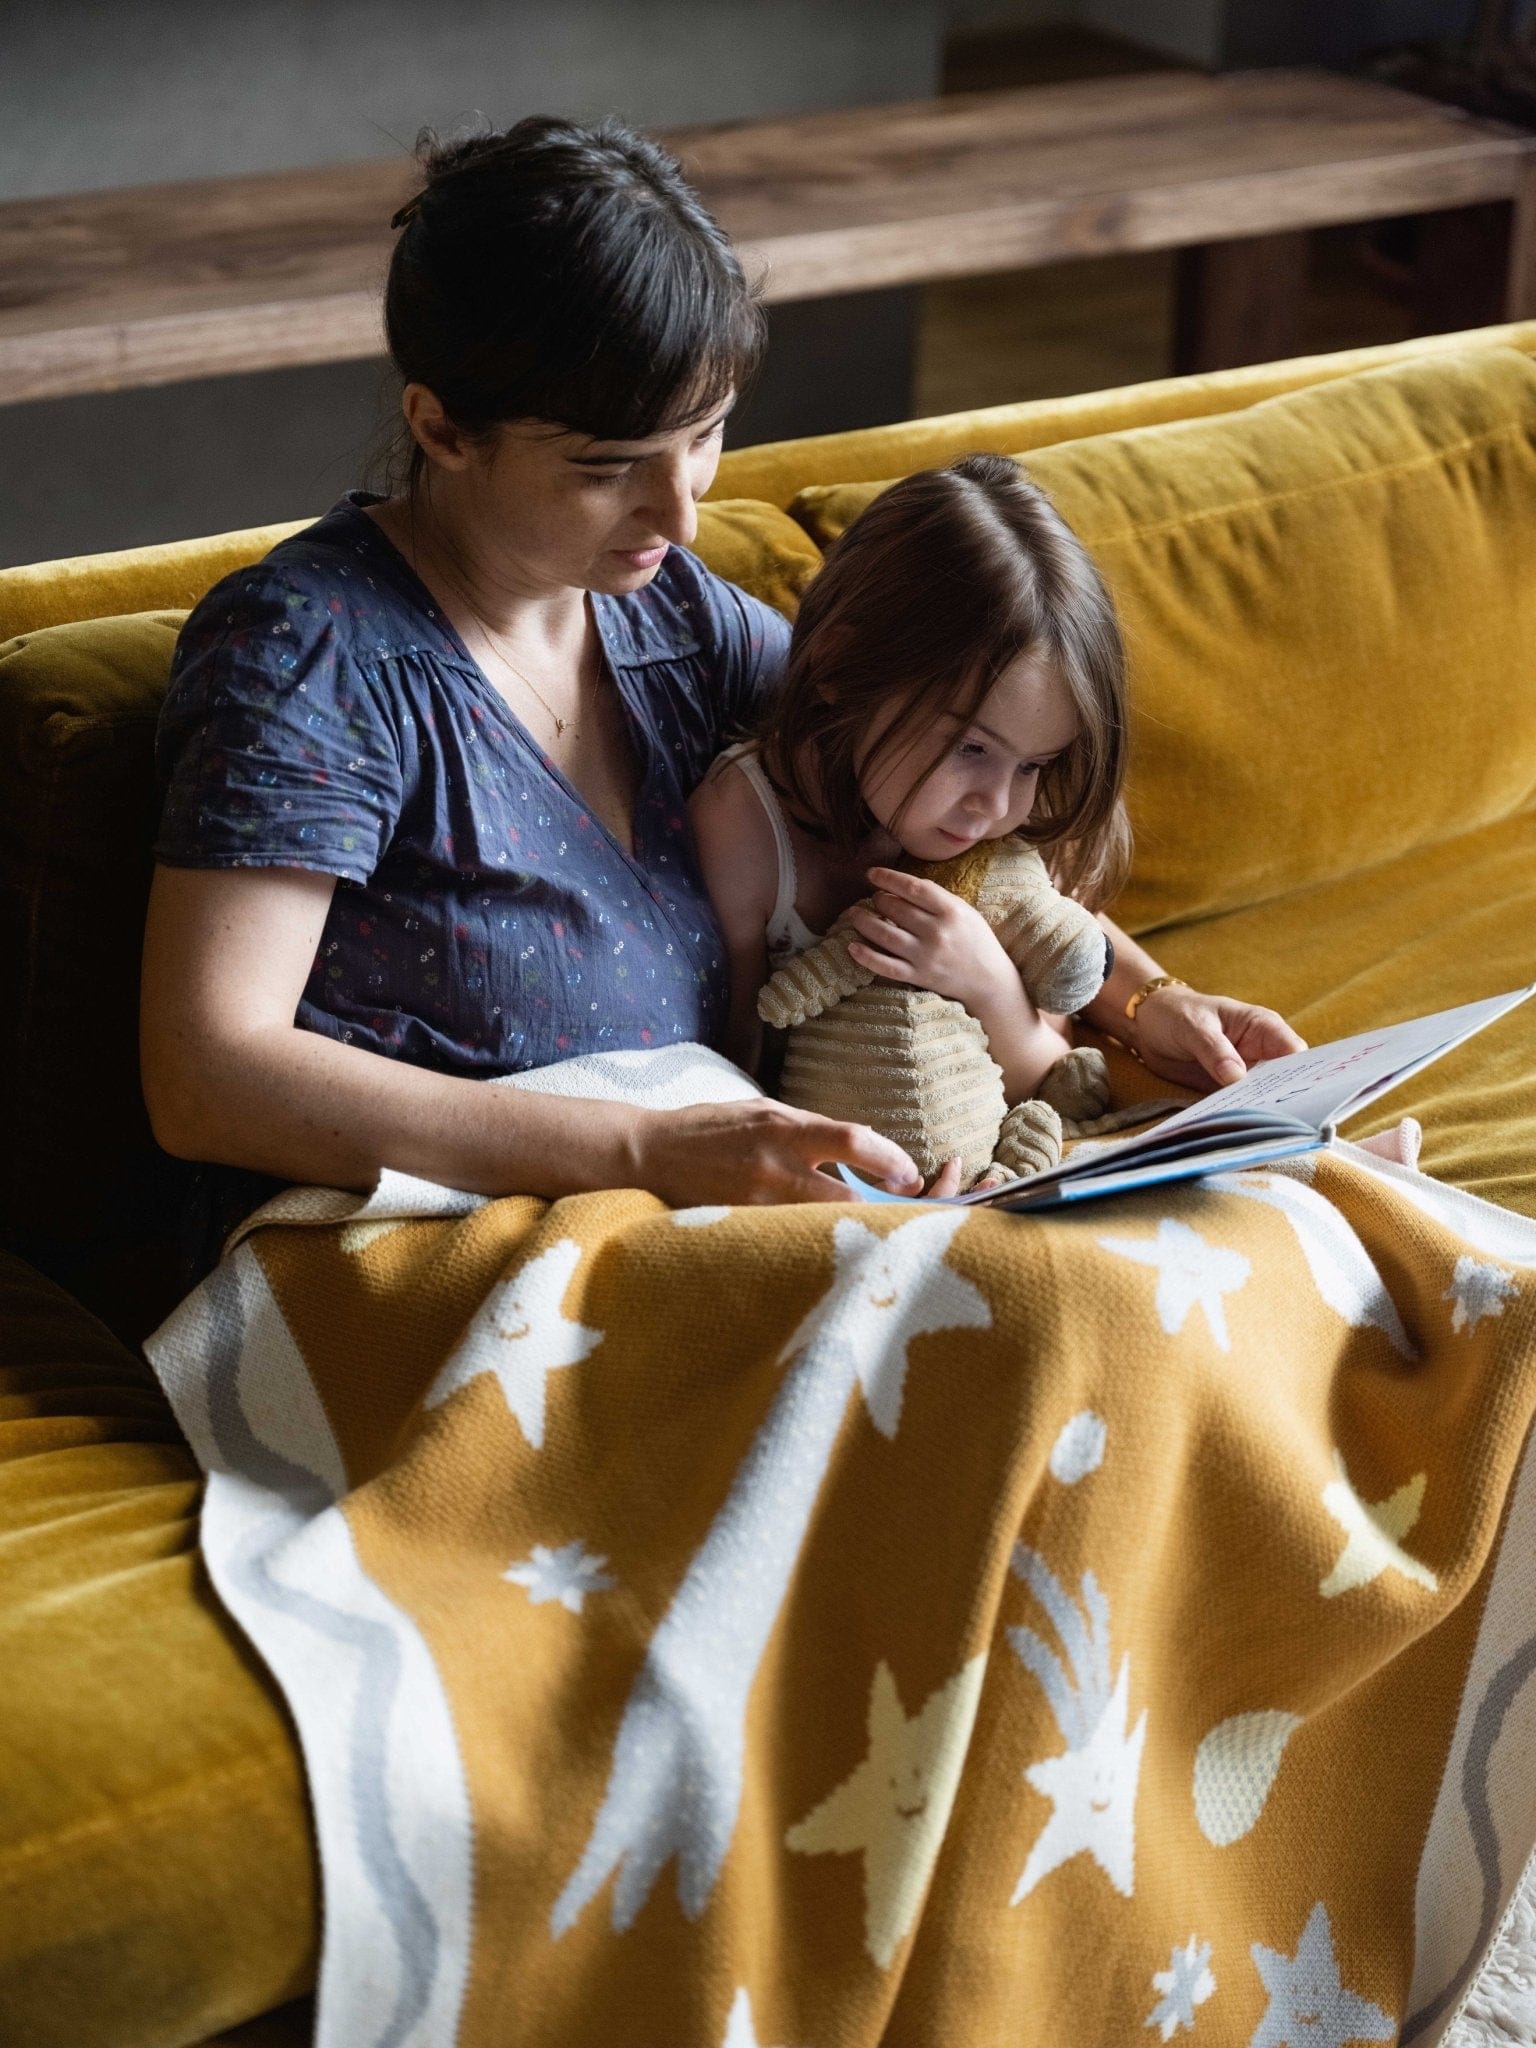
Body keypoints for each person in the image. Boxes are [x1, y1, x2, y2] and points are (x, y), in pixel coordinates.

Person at [141, 115, 932, 1277]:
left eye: (705, 435)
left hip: (670, 1240)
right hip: (411, 1255)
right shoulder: (312, 654)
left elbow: (931, 772)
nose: (681, 513)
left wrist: (1131, 994)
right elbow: (207, 1075)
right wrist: (650, 1150)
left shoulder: (675, 618)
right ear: (443, 427)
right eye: (607, 468)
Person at [688, 453, 1307, 1197]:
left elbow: (1051, 1060)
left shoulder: (991, 830)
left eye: (1034, 763)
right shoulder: (745, 825)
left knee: (1244, 1164)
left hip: (1005, 1133)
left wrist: (990, 984)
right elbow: (736, 1066)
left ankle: (1341, 1161)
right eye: (972, 748)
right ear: (841, 662)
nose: (998, 806)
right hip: (856, 1168)